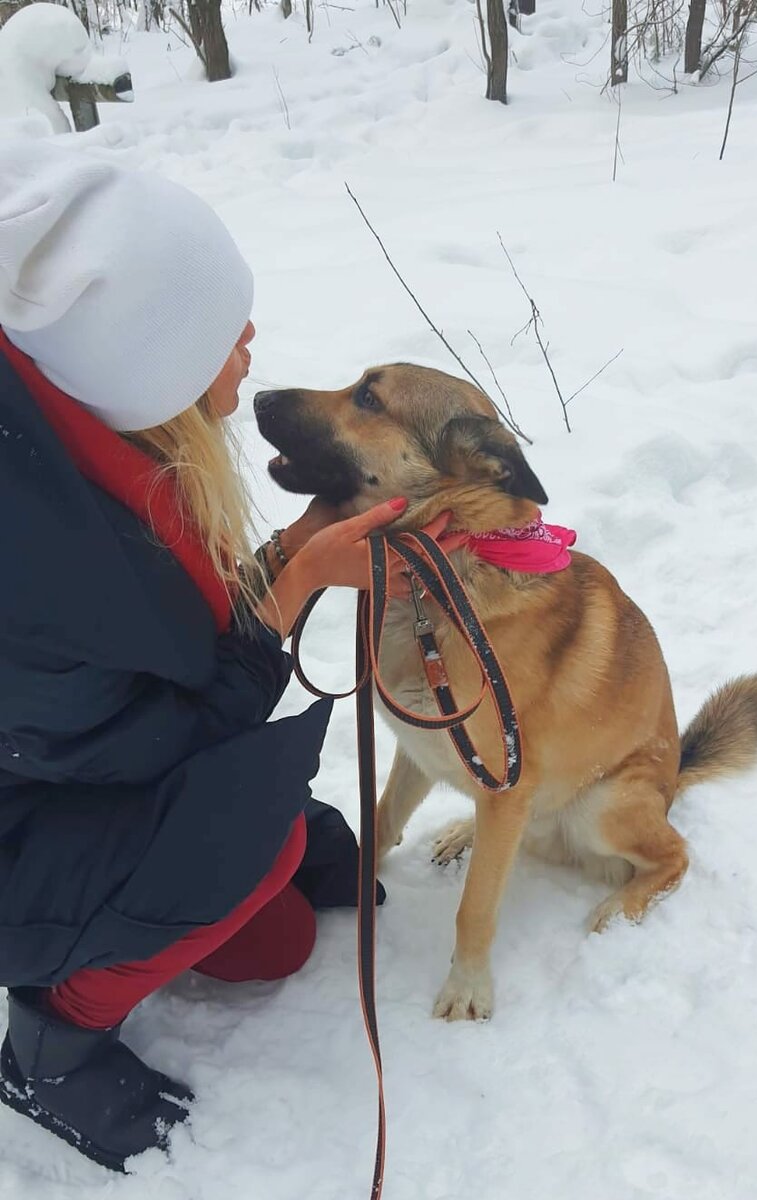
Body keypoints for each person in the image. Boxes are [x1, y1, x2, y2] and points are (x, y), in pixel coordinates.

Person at [0, 139, 455, 1173]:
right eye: (215, 329)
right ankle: (48, 1046)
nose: (249, 336)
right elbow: (154, 735)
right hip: (22, 832)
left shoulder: (86, 450)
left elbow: (161, 654)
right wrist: (292, 588)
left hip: (65, 771)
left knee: (275, 937)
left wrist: (288, 552)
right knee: (253, 840)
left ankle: (227, 861)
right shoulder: (32, 569)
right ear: (139, 358)